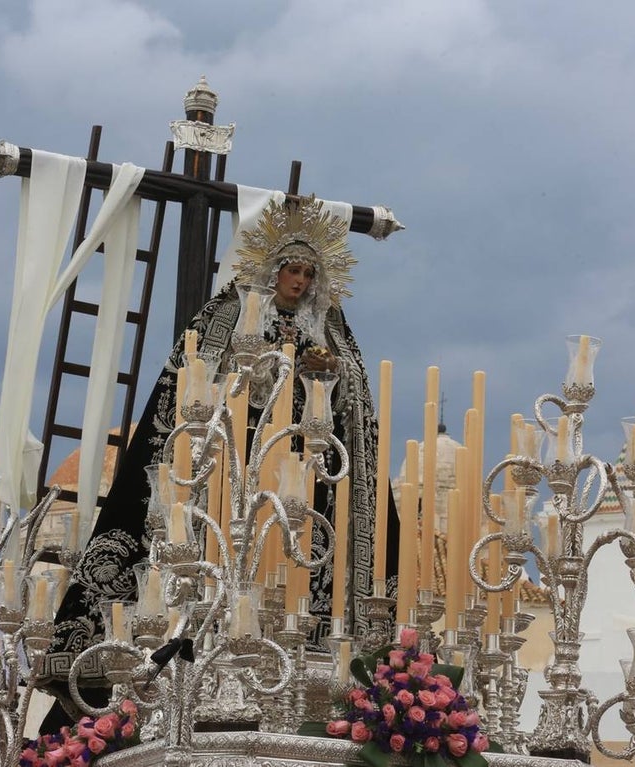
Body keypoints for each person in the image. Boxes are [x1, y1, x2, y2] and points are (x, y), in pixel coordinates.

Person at [40, 196, 397, 726]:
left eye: (307, 273)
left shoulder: (333, 328)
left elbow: (357, 409)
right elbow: (193, 393)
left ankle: (306, 637)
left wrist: (327, 374)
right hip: (232, 471)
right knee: (226, 548)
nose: (298, 282)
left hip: (309, 472)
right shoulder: (227, 313)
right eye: (291, 271)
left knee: (303, 554)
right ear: (272, 270)